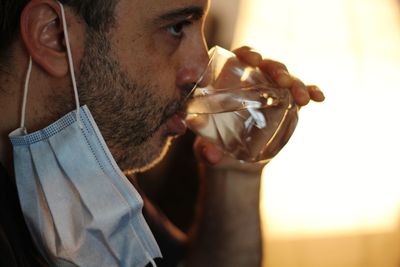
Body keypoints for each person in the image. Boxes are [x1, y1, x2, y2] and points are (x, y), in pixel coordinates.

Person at [0, 0, 325, 266]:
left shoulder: (90, 165)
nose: (200, 69)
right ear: (54, 36)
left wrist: (235, 175)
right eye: (176, 27)